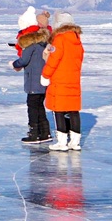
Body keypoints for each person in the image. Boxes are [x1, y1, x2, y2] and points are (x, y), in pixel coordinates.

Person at [43, 15, 84, 151]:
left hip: (59, 80)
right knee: (73, 110)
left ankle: (62, 142)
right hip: (73, 79)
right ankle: (75, 142)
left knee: (58, 110)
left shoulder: (59, 39)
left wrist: (45, 74)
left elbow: (54, 60)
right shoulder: (76, 39)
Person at [11, 23, 52, 146]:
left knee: (33, 107)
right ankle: (45, 133)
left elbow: (23, 61)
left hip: (33, 83)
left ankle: (34, 133)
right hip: (42, 82)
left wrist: (14, 64)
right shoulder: (42, 45)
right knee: (39, 106)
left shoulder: (31, 47)